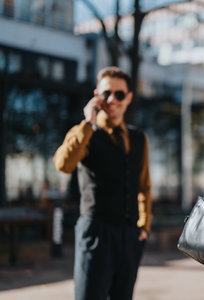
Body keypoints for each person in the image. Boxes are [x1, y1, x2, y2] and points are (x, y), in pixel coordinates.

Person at [53, 66, 152, 300]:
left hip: (129, 235)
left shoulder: (138, 138)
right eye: (106, 93)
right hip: (96, 230)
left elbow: (144, 185)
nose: (112, 100)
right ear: (97, 94)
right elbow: (63, 164)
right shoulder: (85, 132)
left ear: (128, 98)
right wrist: (88, 122)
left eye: (119, 94)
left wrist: (144, 225)